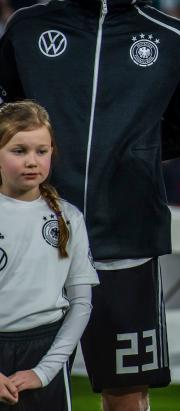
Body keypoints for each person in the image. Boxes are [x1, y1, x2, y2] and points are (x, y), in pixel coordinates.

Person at [0, 0, 180, 411]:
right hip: (35, 243)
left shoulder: (171, 38)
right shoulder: (27, 30)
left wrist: (136, 150)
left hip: (126, 241)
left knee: (126, 397)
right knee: (22, 390)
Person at [0, 101, 99, 410]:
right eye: (19, 151)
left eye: (41, 151)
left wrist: (45, 372)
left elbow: (81, 303)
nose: (32, 161)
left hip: (45, 354)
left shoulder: (68, 217)